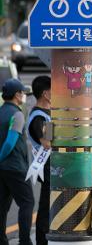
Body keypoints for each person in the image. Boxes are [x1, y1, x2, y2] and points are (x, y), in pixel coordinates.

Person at [0, 78, 34, 245]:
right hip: (15, 166)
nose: (24, 96)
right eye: (22, 93)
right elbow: (10, 142)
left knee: (2, 205)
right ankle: (24, 241)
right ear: (16, 95)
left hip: (2, 169)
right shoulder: (17, 114)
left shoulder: (1, 111)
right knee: (27, 202)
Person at [27, 76, 51, 245]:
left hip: (51, 168)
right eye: (53, 90)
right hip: (48, 168)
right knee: (45, 208)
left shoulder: (45, 114)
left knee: (49, 207)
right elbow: (47, 143)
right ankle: (41, 240)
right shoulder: (38, 117)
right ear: (45, 94)